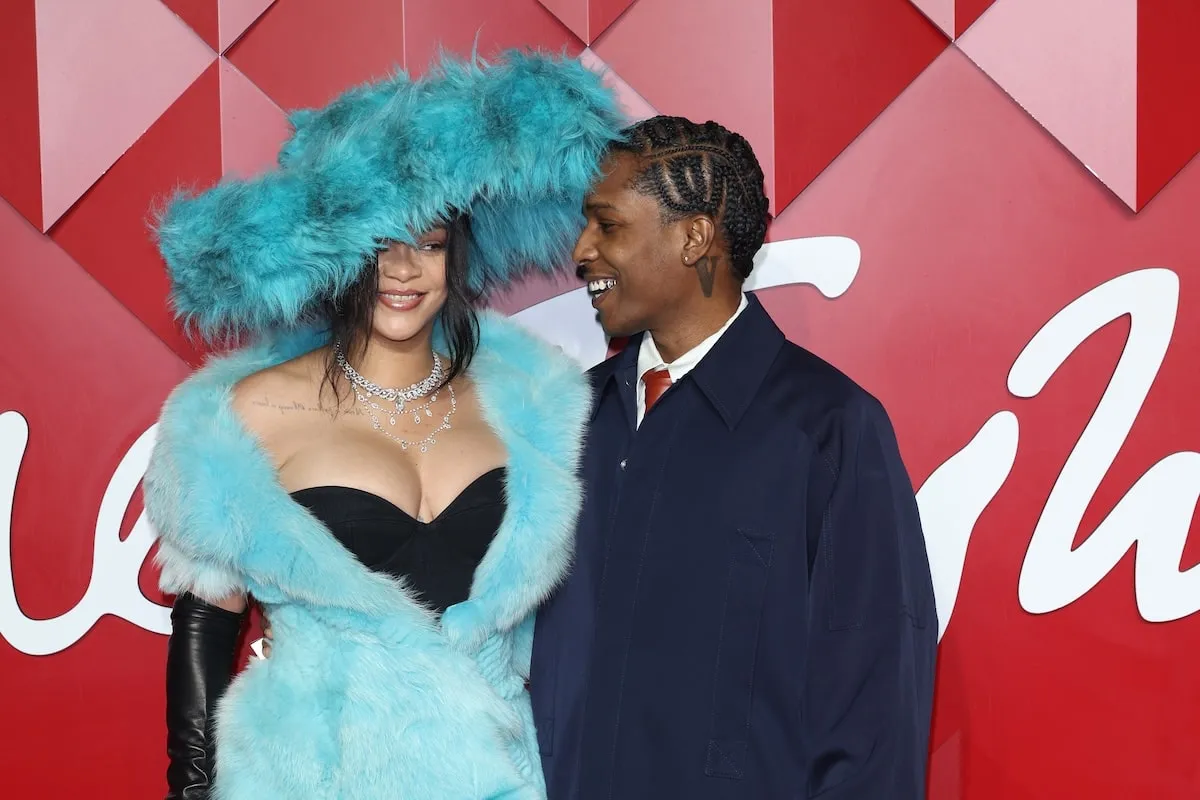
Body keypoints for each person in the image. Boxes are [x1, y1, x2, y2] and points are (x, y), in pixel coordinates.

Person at [142, 51, 624, 799]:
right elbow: (207, 625)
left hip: (502, 776)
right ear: (337, 258)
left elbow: (576, 629)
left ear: (455, 258)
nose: (404, 271)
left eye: (428, 245)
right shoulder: (244, 416)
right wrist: (192, 789)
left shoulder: (534, 407)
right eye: (380, 247)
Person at [528, 116, 939, 799]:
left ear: (694, 237)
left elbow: (874, 718)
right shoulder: (565, 421)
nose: (582, 250)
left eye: (609, 225)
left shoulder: (830, 430)